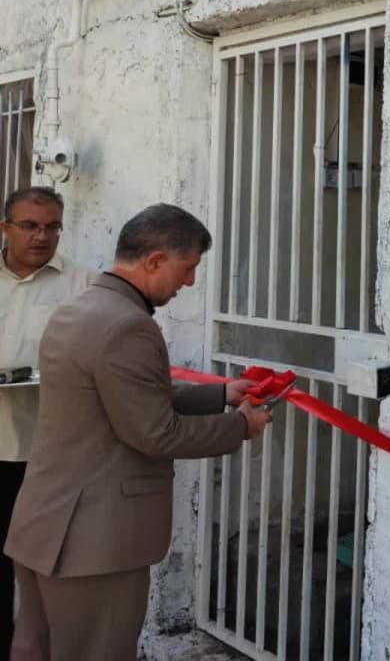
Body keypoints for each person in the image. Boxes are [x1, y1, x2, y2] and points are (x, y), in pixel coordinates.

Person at [4, 204, 271, 661]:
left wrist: (221, 394)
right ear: (155, 261)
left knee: (34, 648)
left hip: (44, 526)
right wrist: (241, 426)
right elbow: (156, 433)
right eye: (187, 269)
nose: (189, 282)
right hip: (94, 543)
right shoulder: (129, 325)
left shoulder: (79, 308)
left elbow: (127, 396)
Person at [0, 187, 92, 653]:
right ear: (5, 228)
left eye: (52, 227)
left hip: (46, 456)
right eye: (30, 226)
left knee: (43, 570)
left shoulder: (84, 285)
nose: (42, 236)